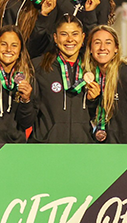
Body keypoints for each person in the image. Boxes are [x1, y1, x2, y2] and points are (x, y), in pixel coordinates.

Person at [30, 14, 99, 143]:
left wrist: (93, 101)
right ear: (55, 38)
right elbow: (29, 113)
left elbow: (97, 115)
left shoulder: (92, 69)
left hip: (82, 146)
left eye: (74, 34)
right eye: (64, 34)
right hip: (47, 147)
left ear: (83, 37)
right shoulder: (39, 67)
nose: (70, 39)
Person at [0, 25, 36, 143]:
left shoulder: (28, 78)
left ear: (20, 49)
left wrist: (26, 100)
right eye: (3, 44)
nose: (8, 49)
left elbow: (27, 122)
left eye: (14, 45)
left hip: (14, 146)